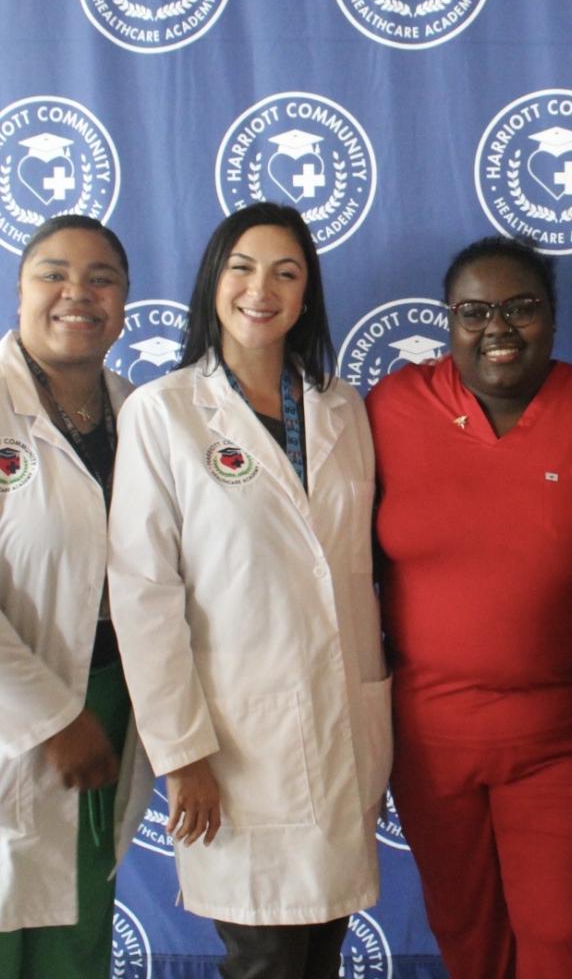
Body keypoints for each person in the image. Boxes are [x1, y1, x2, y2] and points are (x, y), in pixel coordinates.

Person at [107, 202, 391, 979]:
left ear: (307, 295)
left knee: (322, 952)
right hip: (235, 746)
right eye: (243, 267)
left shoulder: (341, 408)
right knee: (264, 956)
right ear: (213, 281)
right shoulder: (163, 413)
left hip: (340, 732)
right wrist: (182, 752)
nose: (261, 289)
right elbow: (143, 595)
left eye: (286, 272)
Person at [366, 235, 572, 978]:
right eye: (474, 311)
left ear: (553, 314)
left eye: (521, 307)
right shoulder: (394, 407)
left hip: (562, 737)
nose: (498, 328)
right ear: (448, 320)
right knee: (467, 936)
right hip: (431, 739)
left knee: (562, 943)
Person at [0, 216, 151, 977]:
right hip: (26, 714)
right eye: (53, 273)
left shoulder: (143, 416)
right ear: (18, 290)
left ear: (125, 301)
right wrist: (53, 719)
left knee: (76, 935)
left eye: (102, 278)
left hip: (108, 704)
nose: (77, 293)